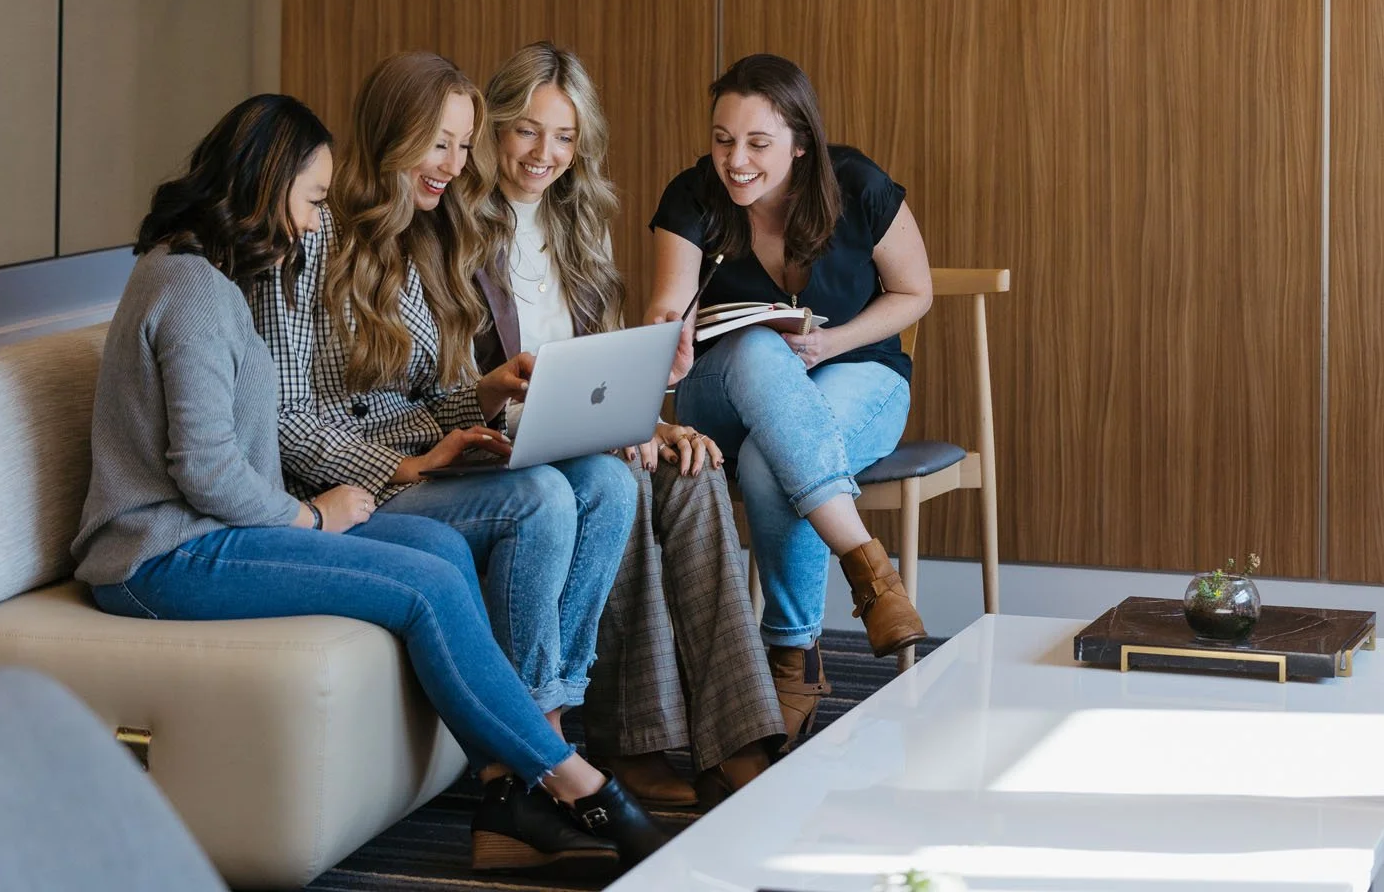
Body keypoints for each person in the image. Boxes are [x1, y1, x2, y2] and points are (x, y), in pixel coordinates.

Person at [71, 94, 664, 875]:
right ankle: (575, 783)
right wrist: (313, 516)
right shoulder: (193, 292)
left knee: (437, 545)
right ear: (261, 185)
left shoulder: (204, 277)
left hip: (213, 531)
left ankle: (513, 785)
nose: (318, 222)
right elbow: (205, 469)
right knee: (424, 584)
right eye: (312, 201)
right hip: (160, 555)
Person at [245, 56, 643, 856]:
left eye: (464, 149)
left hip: (419, 462)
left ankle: (545, 733)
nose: (455, 168)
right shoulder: (306, 241)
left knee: (606, 482)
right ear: (393, 138)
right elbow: (283, 422)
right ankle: (522, 777)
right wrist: (404, 468)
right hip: (339, 488)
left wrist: (485, 395)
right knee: (541, 499)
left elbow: (417, 403)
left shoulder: (425, 236)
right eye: (440, 146)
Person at [474, 42, 786, 808]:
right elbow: (463, 382)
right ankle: (643, 739)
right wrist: (615, 431)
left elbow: (596, 369)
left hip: (577, 434)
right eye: (527, 131)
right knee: (627, 477)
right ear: (494, 129)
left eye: (566, 137)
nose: (545, 155)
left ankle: (734, 735)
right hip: (501, 443)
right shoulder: (456, 229)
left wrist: (651, 417)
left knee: (690, 469)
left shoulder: (577, 229)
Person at [644, 54, 933, 747]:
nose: (734, 161)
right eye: (721, 140)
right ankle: (868, 568)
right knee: (753, 350)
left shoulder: (857, 185)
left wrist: (831, 346)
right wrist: (670, 335)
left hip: (859, 374)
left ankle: (794, 661)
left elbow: (914, 292)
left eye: (756, 143)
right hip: (727, 395)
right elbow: (667, 302)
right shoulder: (692, 196)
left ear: (801, 142)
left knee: (776, 461)